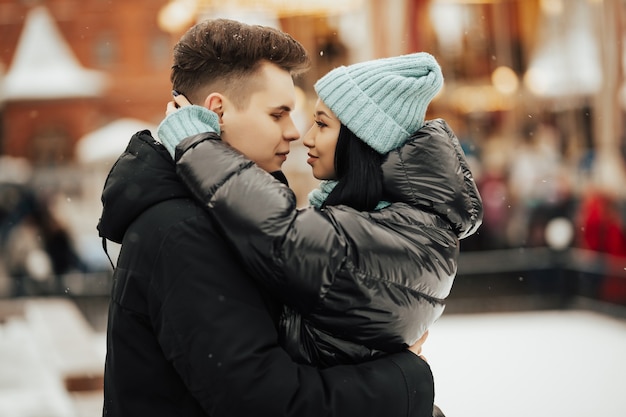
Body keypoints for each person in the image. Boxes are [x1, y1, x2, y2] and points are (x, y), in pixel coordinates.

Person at [98, 18, 436, 417]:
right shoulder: (183, 229)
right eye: (278, 115)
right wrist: (403, 380)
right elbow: (265, 401)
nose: (295, 132)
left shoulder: (225, 213)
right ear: (217, 111)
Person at [157, 54, 482, 368]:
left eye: (322, 124)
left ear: (363, 138)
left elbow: (284, 235)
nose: (306, 137)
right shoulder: (404, 223)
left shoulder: (405, 234)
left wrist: (196, 142)